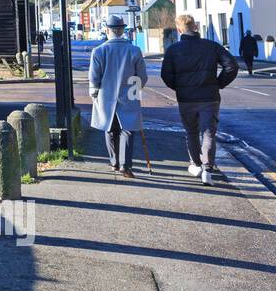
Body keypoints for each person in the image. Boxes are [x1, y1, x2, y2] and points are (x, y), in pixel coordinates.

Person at [161, 14, 239, 185]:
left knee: (191, 132)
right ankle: (208, 170)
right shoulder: (212, 46)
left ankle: (195, 165)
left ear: (179, 29)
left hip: (186, 99)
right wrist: (219, 83)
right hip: (209, 97)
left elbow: (166, 75)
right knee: (209, 133)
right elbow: (232, 66)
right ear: (195, 27)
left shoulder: (173, 50)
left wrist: (180, 88)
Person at [88, 14, 148, 177]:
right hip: (129, 95)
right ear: (122, 30)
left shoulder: (99, 51)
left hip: (105, 96)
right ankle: (125, 165)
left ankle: (114, 162)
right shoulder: (134, 50)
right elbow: (142, 77)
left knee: (109, 129)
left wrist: (94, 93)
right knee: (128, 129)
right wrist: (135, 91)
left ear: (107, 30)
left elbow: (94, 78)